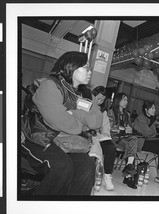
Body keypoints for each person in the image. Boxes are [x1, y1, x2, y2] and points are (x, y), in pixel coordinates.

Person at [22, 51, 101, 195]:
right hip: (40, 138)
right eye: (85, 67)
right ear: (70, 67)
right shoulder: (50, 86)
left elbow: (97, 121)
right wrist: (84, 122)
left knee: (87, 166)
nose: (90, 71)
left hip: (68, 141)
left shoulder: (88, 94)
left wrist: (76, 114)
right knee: (62, 167)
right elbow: (62, 122)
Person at [107, 92, 139, 189]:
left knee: (134, 139)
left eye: (126, 100)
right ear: (118, 100)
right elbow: (110, 127)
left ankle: (129, 166)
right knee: (130, 146)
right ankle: (129, 176)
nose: (126, 102)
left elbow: (128, 127)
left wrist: (129, 129)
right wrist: (123, 128)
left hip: (125, 137)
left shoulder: (127, 114)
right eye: (124, 99)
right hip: (114, 138)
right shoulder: (111, 112)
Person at [92, 86, 116, 191]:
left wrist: (104, 135)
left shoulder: (103, 111)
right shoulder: (84, 105)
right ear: (93, 95)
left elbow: (106, 127)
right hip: (86, 135)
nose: (100, 102)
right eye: (98, 98)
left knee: (111, 148)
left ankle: (107, 175)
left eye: (102, 100)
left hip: (98, 136)